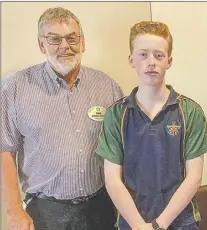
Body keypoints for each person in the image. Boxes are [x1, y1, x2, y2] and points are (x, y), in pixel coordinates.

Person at [1, 7, 123, 230]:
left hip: (101, 206)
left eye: (71, 38)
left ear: (83, 42)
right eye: (54, 39)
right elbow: (4, 150)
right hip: (45, 211)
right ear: (41, 45)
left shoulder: (107, 87)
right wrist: (14, 210)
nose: (64, 46)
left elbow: (123, 147)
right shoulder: (15, 88)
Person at [95, 21, 207, 230]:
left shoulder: (189, 111)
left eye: (159, 55)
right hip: (132, 222)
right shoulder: (116, 114)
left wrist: (158, 225)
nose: (151, 62)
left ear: (169, 60)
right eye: (143, 54)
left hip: (180, 222)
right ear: (131, 59)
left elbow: (194, 178)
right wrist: (139, 226)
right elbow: (112, 180)